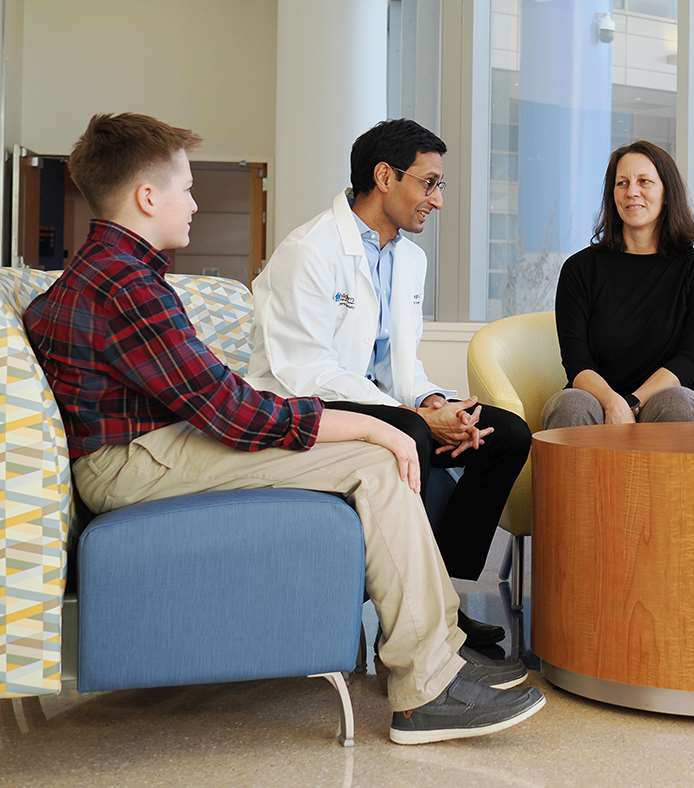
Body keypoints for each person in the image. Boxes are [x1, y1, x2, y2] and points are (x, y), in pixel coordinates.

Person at [23, 113, 544, 745]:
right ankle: (427, 686)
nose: (194, 201)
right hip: (131, 462)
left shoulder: (114, 274)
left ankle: (436, 658)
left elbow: (210, 396)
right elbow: (236, 411)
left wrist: (408, 412)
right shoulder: (127, 286)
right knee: (378, 457)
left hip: (144, 449)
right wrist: (375, 428)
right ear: (146, 197)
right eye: (186, 188)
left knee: (409, 443)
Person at [246, 119, 529, 649]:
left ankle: (439, 594)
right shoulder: (308, 251)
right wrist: (420, 420)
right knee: (413, 435)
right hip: (311, 407)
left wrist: (434, 401)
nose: (438, 200)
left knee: (505, 434)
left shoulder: (409, 258)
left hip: (384, 405)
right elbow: (306, 369)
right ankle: (413, 618)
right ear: (384, 176)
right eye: (430, 183)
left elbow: (401, 364)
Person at [541, 140, 694, 429]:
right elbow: (576, 362)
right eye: (622, 183)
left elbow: (691, 359)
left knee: (675, 403)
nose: (631, 192)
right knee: (571, 405)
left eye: (644, 182)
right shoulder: (579, 269)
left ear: (667, 193)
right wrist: (613, 402)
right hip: (595, 396)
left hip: (674, 395)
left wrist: (632, 402)